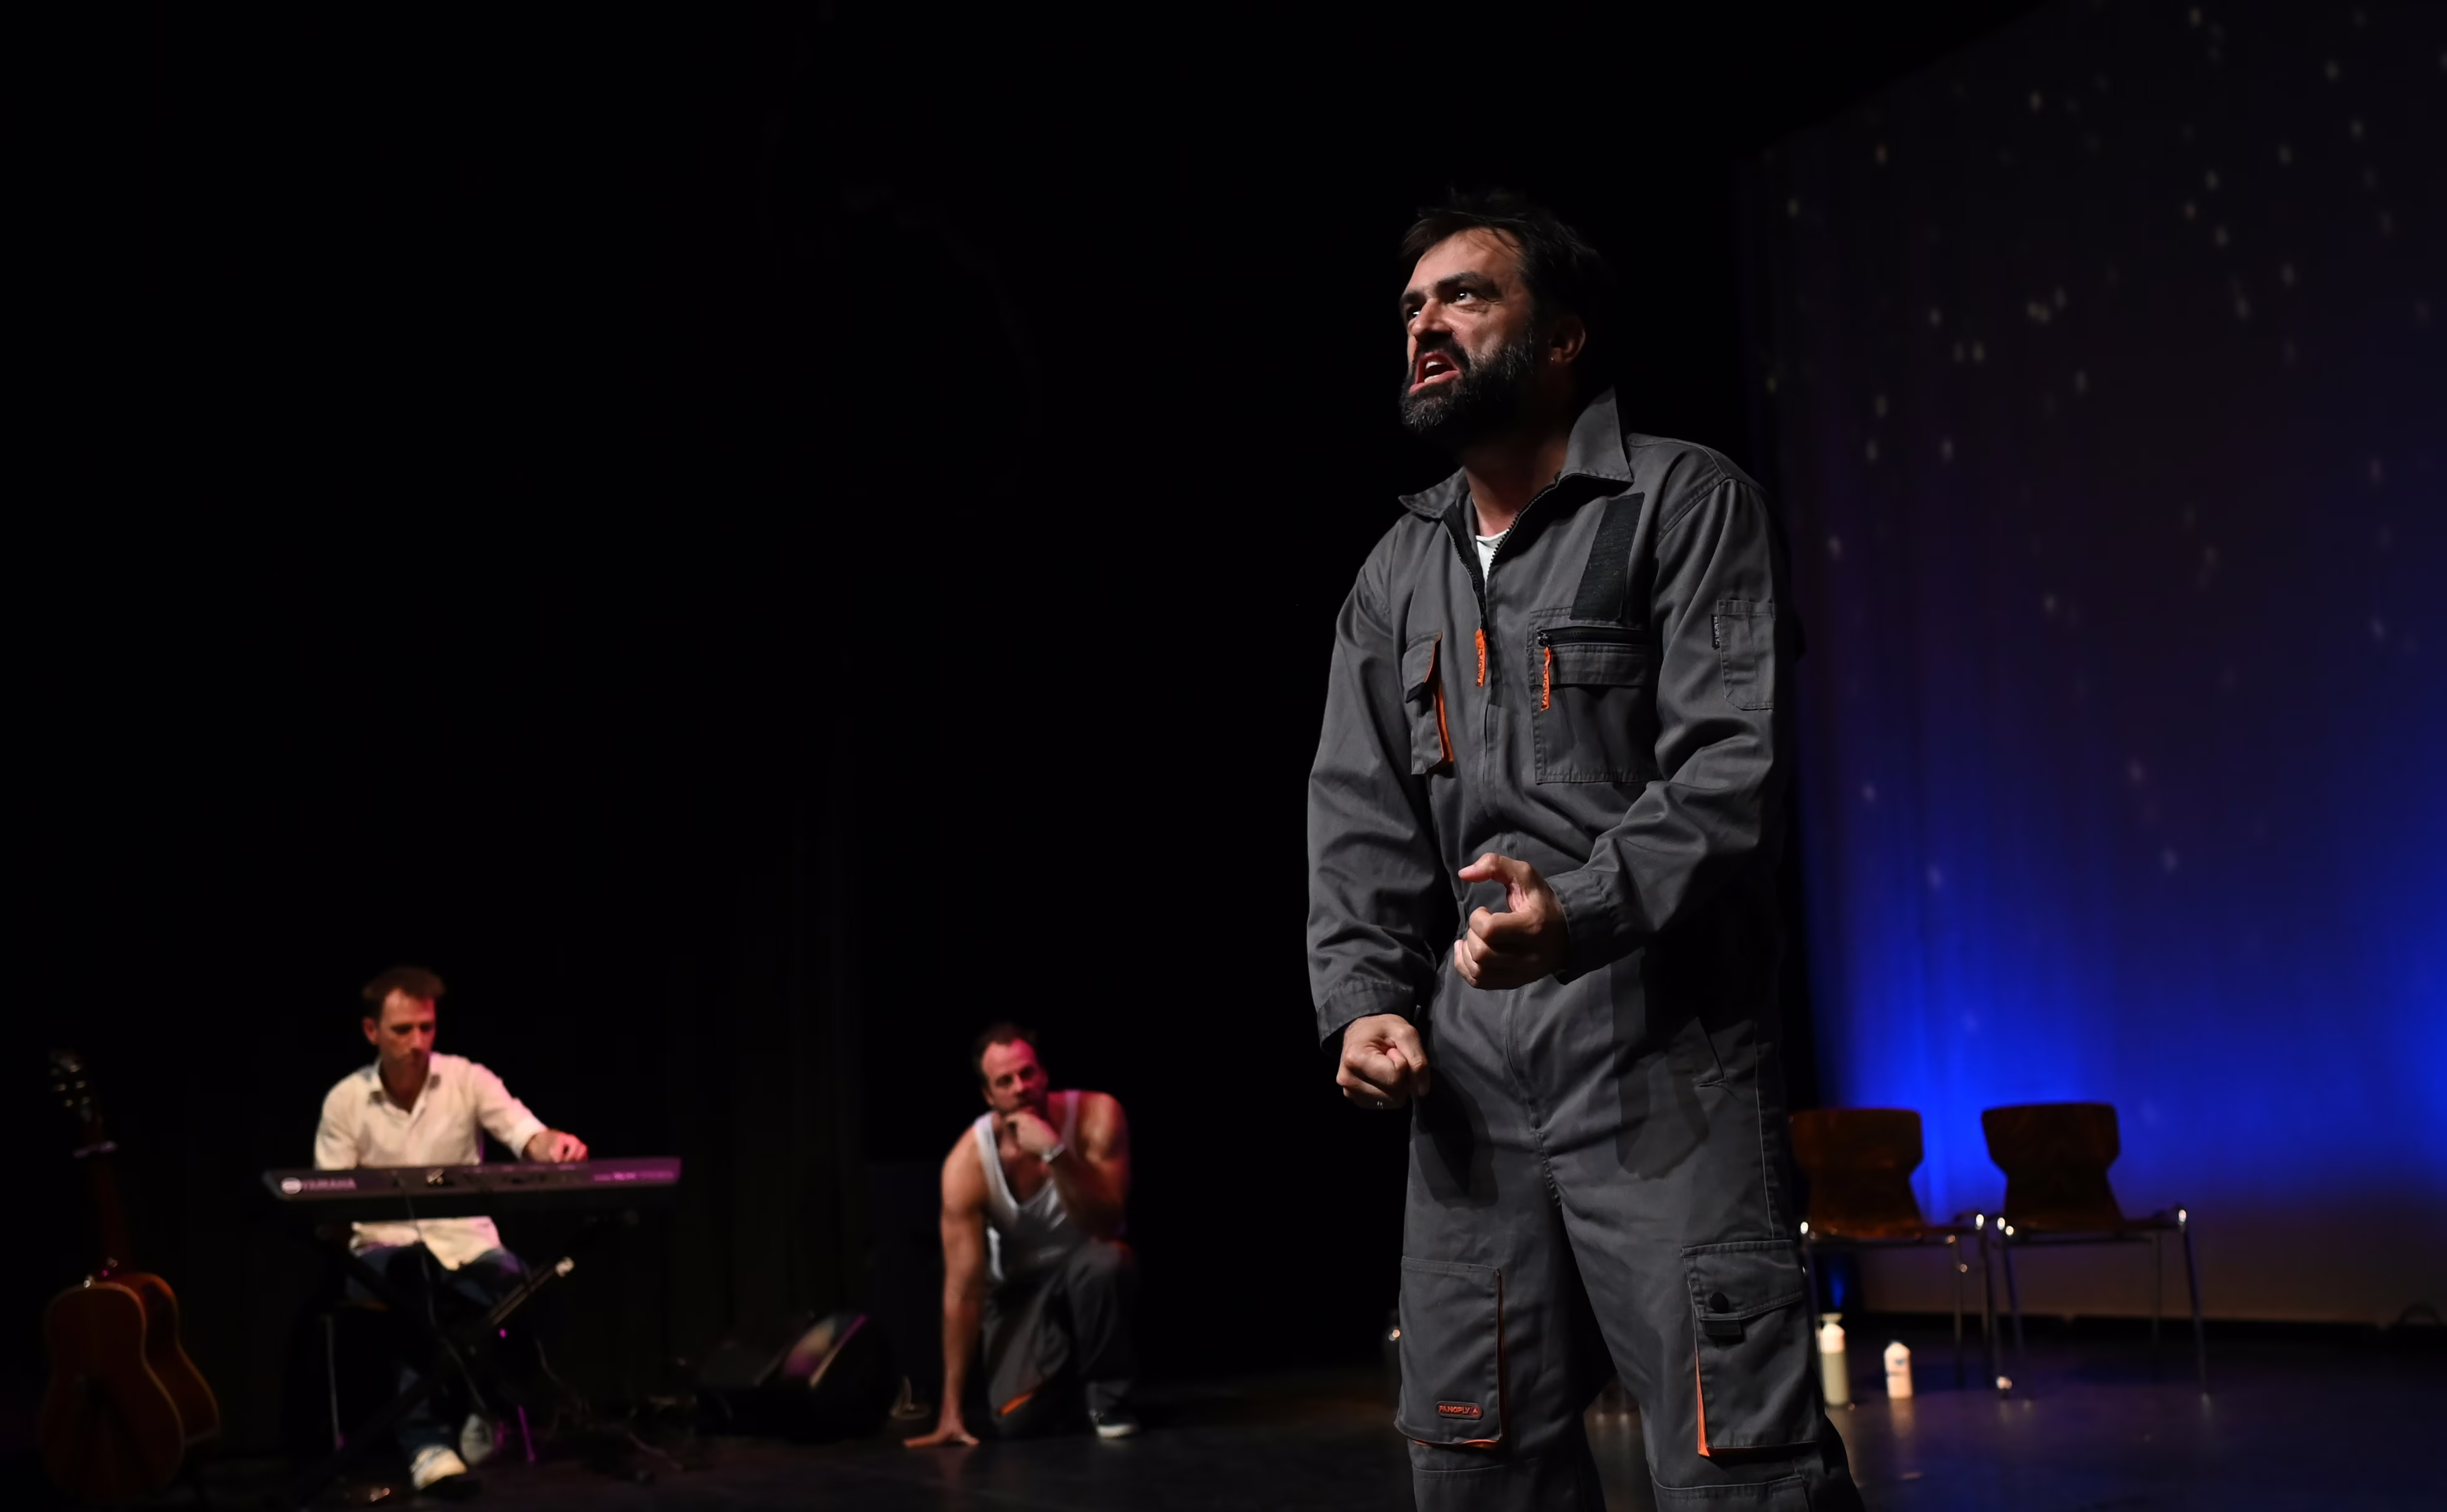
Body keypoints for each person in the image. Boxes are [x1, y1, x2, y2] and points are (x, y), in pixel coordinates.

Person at [1306, 191, 1864, 1511]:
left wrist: (1578, 907)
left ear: (1562, 338)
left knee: (1739, 1465)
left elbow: (1730, 769)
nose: (1425, 325)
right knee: (1474, 1457)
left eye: (1465, 296)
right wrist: (1365, 1000)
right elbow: (1358, 815)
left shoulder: (1684, 500)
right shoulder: (1394, 574)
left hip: (1664, 1054)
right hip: (1470, 1083)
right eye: (1411, 306)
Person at [313, 966, 589, 1493]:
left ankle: (485, 1401)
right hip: (383, 1249)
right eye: (402, 1030)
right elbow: (331, 1200)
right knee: (410, 1282)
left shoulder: (467, 1079)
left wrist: (553, 1145)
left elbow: (526, 1133)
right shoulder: (345, 1101)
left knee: (520, 1283)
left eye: (427, 1028)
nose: (418, 1042)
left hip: (465, 1243)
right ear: (372, 1031)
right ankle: (426, 1444)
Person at [905, 1023, 1139, 1446]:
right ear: (988, 1096)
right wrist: (951, 1411)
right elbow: (964, 1292)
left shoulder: (1098, 1115)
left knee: (1109, 1261)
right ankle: (1071, 1380)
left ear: (1044, 1074)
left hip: (1086, 1269)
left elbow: (1106, 1224)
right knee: (1017, 1421)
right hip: (1020, 1292)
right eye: (1005, 1081)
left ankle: (1108, 1401)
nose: (1021, 1087)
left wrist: (1056, 1153)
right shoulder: (968, 1163)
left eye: (1028, 1073)